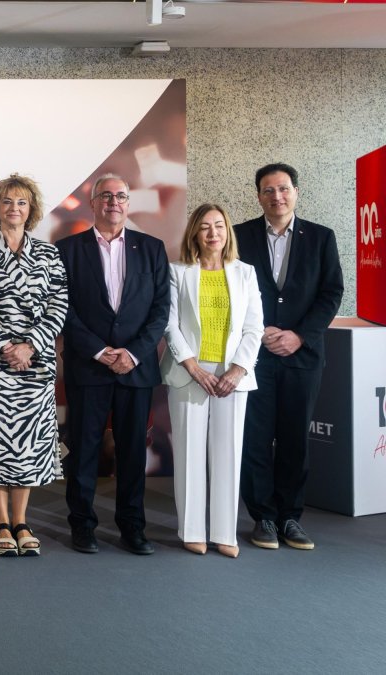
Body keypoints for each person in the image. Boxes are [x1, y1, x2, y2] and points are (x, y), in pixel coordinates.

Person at [57, 173, 170, 555]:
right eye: (105, 196)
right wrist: (100, 351)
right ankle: (82, 526)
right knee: (84, 449)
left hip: (135, 368)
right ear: (93, 203)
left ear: (128, 202)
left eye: (120, 196)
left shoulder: (151, 248)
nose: (114, 202)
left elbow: (160, 311)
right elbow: (63, 311)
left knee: (132, 451)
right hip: (88, 367)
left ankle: (132, 528)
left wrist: (133, 353)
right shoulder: (66, 249)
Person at [234, 163, 343, 550]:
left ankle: (290, 518)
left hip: (302, 356)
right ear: (258, 195)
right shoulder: (239, 236)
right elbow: (230, 288)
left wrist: (300, 335)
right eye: (268, 190)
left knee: (296, 439)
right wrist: (257, 331)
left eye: (283, 189)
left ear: (296, 191)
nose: (276, 197)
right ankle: (262, 516)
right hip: (256, 355)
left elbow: (331, 293)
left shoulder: (321, 237)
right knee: (256, 438)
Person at [0, 174, 68, 557]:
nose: (14, 208)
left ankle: (22, 521)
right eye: (7, 202)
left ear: (31, 209)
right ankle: (1, 521)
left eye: (21, 202)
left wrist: (31, 346)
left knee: (29, 445)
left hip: (34, 365)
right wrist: (7, 346)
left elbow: (59, 305)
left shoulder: (49, 254)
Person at [161, 203, 264, 558]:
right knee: (189, 454)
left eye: (219, 226)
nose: (212, 233)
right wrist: (194, 367)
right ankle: (191, 530)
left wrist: (237, 370)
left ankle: (224, 533)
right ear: (194, 232)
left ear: (227, 231)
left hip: (233, 375)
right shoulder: (178, 272)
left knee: (228, 453)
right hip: (189, 371)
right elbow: (170, 324)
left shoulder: (245, 273)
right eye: (205, 227)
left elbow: (254, 327)